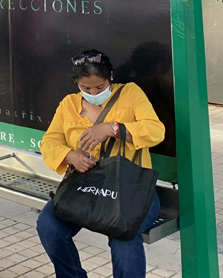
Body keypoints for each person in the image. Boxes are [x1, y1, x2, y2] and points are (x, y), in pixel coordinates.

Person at [37, 50, 166, 278]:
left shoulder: (130, 93)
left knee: (123, 233)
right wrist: (71, 156)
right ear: (77, 83)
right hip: (85, 187)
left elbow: (156, 131)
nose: (93, 93)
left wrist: (112, 128)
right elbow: (49, 142)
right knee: (48, 225)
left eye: (99, 87)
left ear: (110, 77)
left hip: (129, 190)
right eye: (86, 88)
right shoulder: (68, 104)